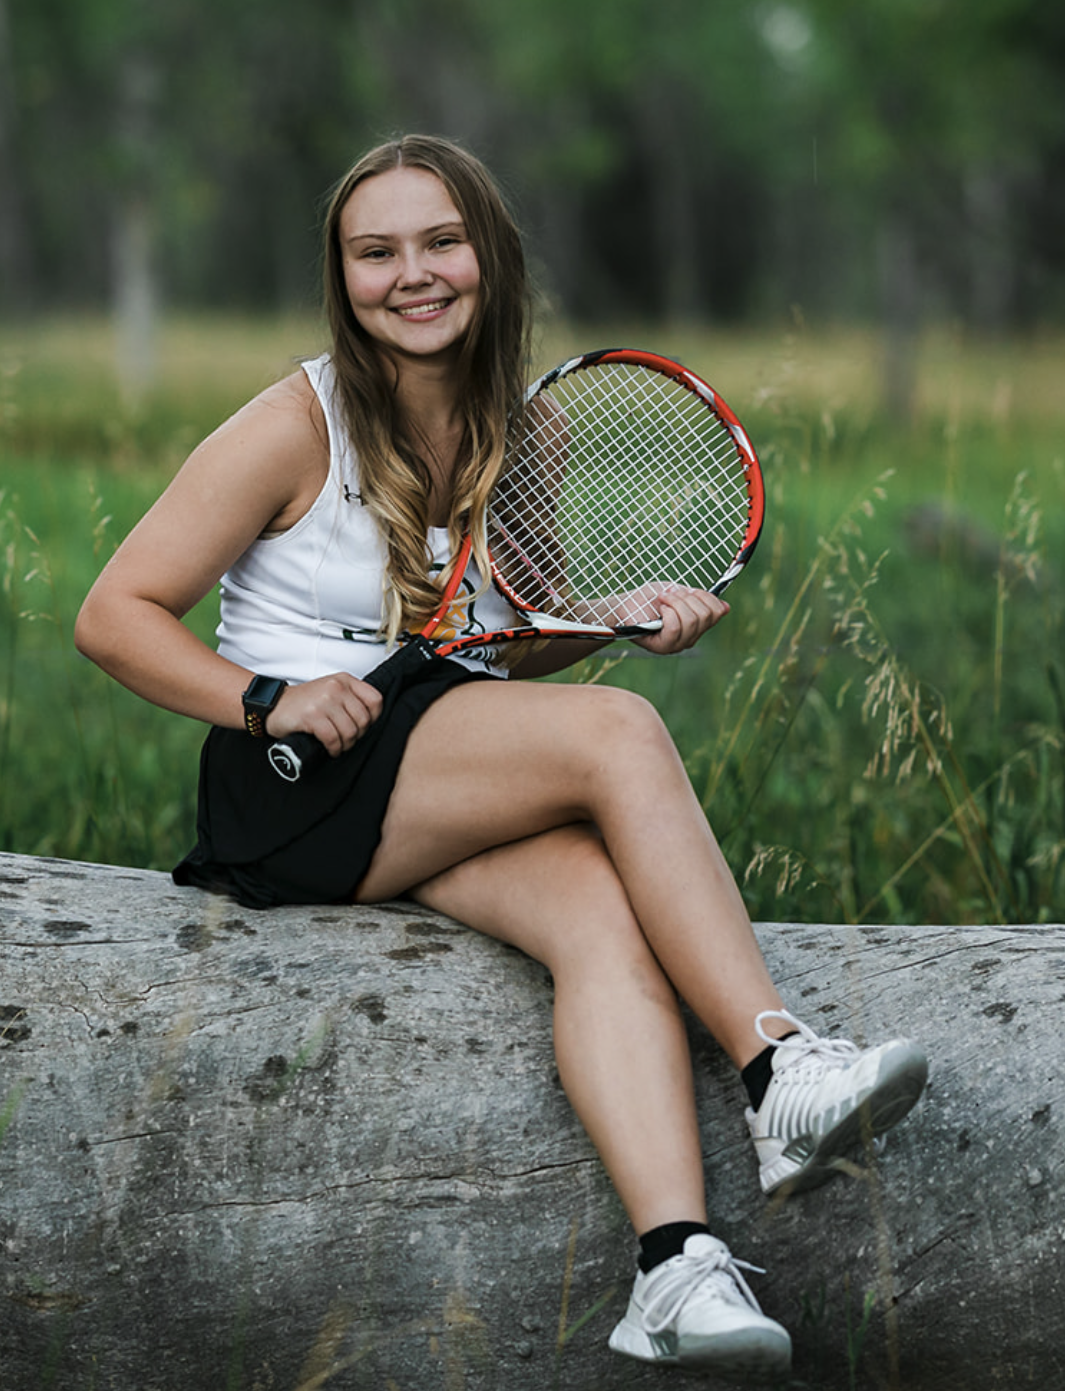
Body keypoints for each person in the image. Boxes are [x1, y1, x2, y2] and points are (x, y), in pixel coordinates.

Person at [73, 133, 928, 1374]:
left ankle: (672, 1267)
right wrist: (269, 698)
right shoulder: (290, 423)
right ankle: (778, 1068)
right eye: (376, 252)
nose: (410, 275)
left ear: (490, 258)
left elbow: (497, 657)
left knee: (598, 909)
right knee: (619, 737)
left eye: (439, 243)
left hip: (418, 769)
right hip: (294, 781)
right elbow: (113, 615)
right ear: (342, 276)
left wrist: (613, 623)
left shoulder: (522, 437)